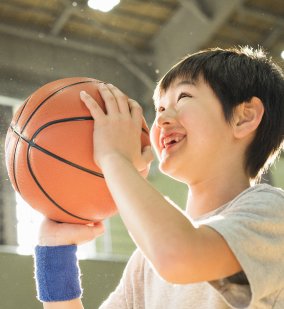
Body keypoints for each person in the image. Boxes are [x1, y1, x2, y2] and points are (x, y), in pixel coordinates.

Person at [34, 46, 284, 308]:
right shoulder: (145, 262)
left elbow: (178, 256)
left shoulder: (272, 212)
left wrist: (114, 158)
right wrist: (56, 255)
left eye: (184, 97)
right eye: (160, 107)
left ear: (245, 117)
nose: (162, 117)